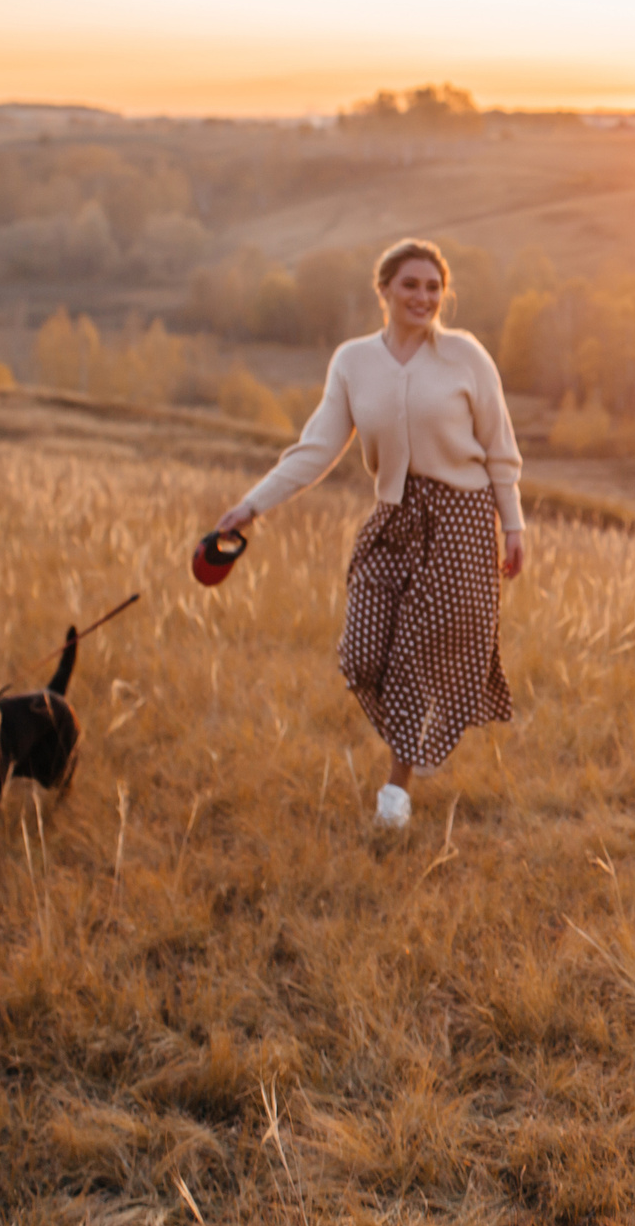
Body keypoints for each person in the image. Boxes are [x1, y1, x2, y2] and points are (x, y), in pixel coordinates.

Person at [212, 238, 528, 829]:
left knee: (412, 658)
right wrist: (251, 506)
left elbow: (500, 449)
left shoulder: (466, 356)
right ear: (383, 290)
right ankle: (413, 741)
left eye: (434, 287)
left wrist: (512, 525)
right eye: (410, 285)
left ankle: (396, 792)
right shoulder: (353, 362)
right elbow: (316, 449)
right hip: (392, 518)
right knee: (359, 653)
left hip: (461, 522)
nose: (423, 297)